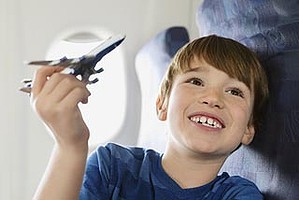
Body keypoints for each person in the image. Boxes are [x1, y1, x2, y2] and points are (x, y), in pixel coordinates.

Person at [31, 35, 268, 199]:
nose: (213, 98)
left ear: (249, 128)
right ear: (162, 105)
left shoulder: (238, 194)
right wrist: (71, 146)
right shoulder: (112, 166)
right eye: (195, 81)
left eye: (235, 91)